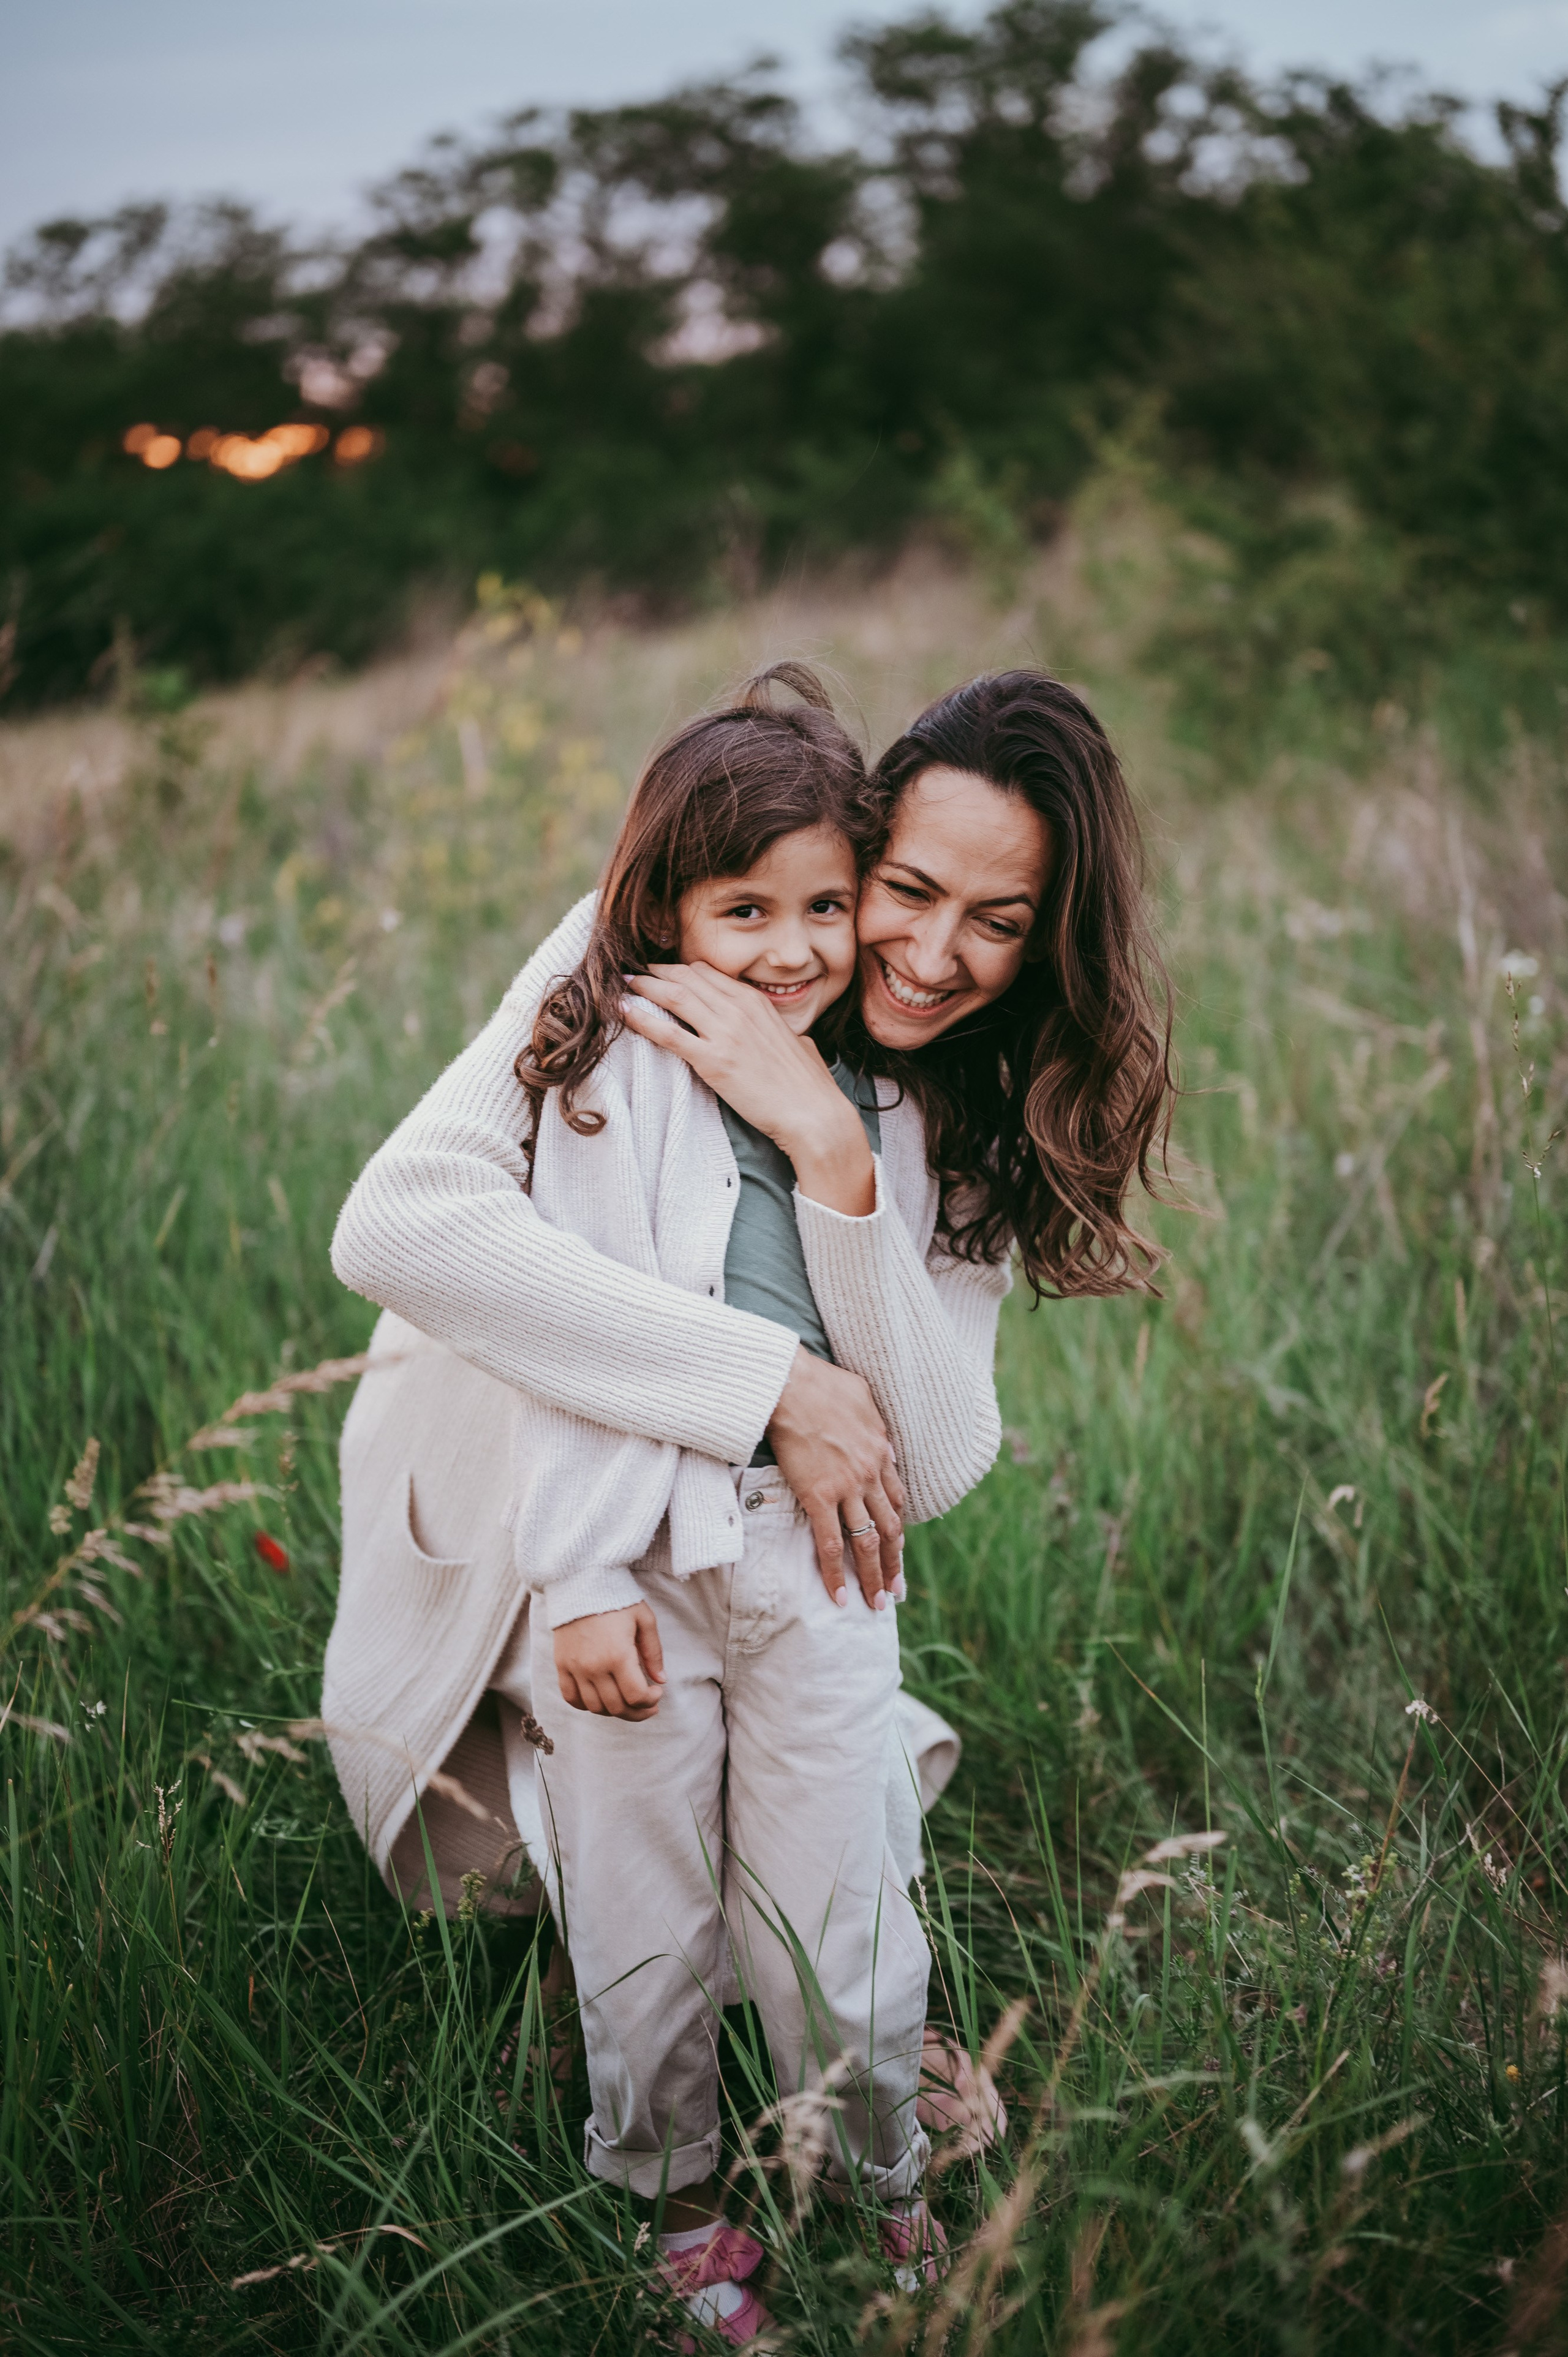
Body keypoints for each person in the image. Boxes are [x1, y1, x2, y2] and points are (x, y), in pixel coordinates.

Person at [326, 663, 1174, 2332]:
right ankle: (672, 2176)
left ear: (1049, 941)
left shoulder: (953, 1101)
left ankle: (863, 2158)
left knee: (817, 1887)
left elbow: (917, 1467)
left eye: (996, 923)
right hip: (533, 1487)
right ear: (855, 845)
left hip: (783, 1560)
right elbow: (399, 1230)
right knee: (620, 1879)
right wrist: (768, 1385)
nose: (926, 955)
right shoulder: (647, 954)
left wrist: (838, 1162)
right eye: (907, 893)